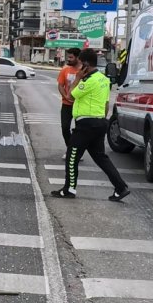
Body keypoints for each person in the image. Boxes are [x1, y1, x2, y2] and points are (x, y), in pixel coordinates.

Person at [51, 49, 129, 201]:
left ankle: (69, 189)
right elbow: (106, 104)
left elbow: (70, 95)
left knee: (72, 157)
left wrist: (77, 78)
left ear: (86, 64)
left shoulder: (88, 81)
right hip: (99, 122)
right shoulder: (103, 79)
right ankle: (121, 187)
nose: (79, 68)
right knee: (101, 157)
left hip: (86, 125)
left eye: (81, 64)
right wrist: (102, 120)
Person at [58, 48, 82, 153]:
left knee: (79, 131)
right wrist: (66, 96)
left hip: (80, 105)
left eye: (71, 57)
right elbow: (60, 86)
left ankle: (75, 152)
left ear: (78, 58)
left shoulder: (83, 71)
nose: (68, 59)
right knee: (65, 128)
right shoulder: (65, 70)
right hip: (66, 105)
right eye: (68, 57)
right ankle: (70, 148)